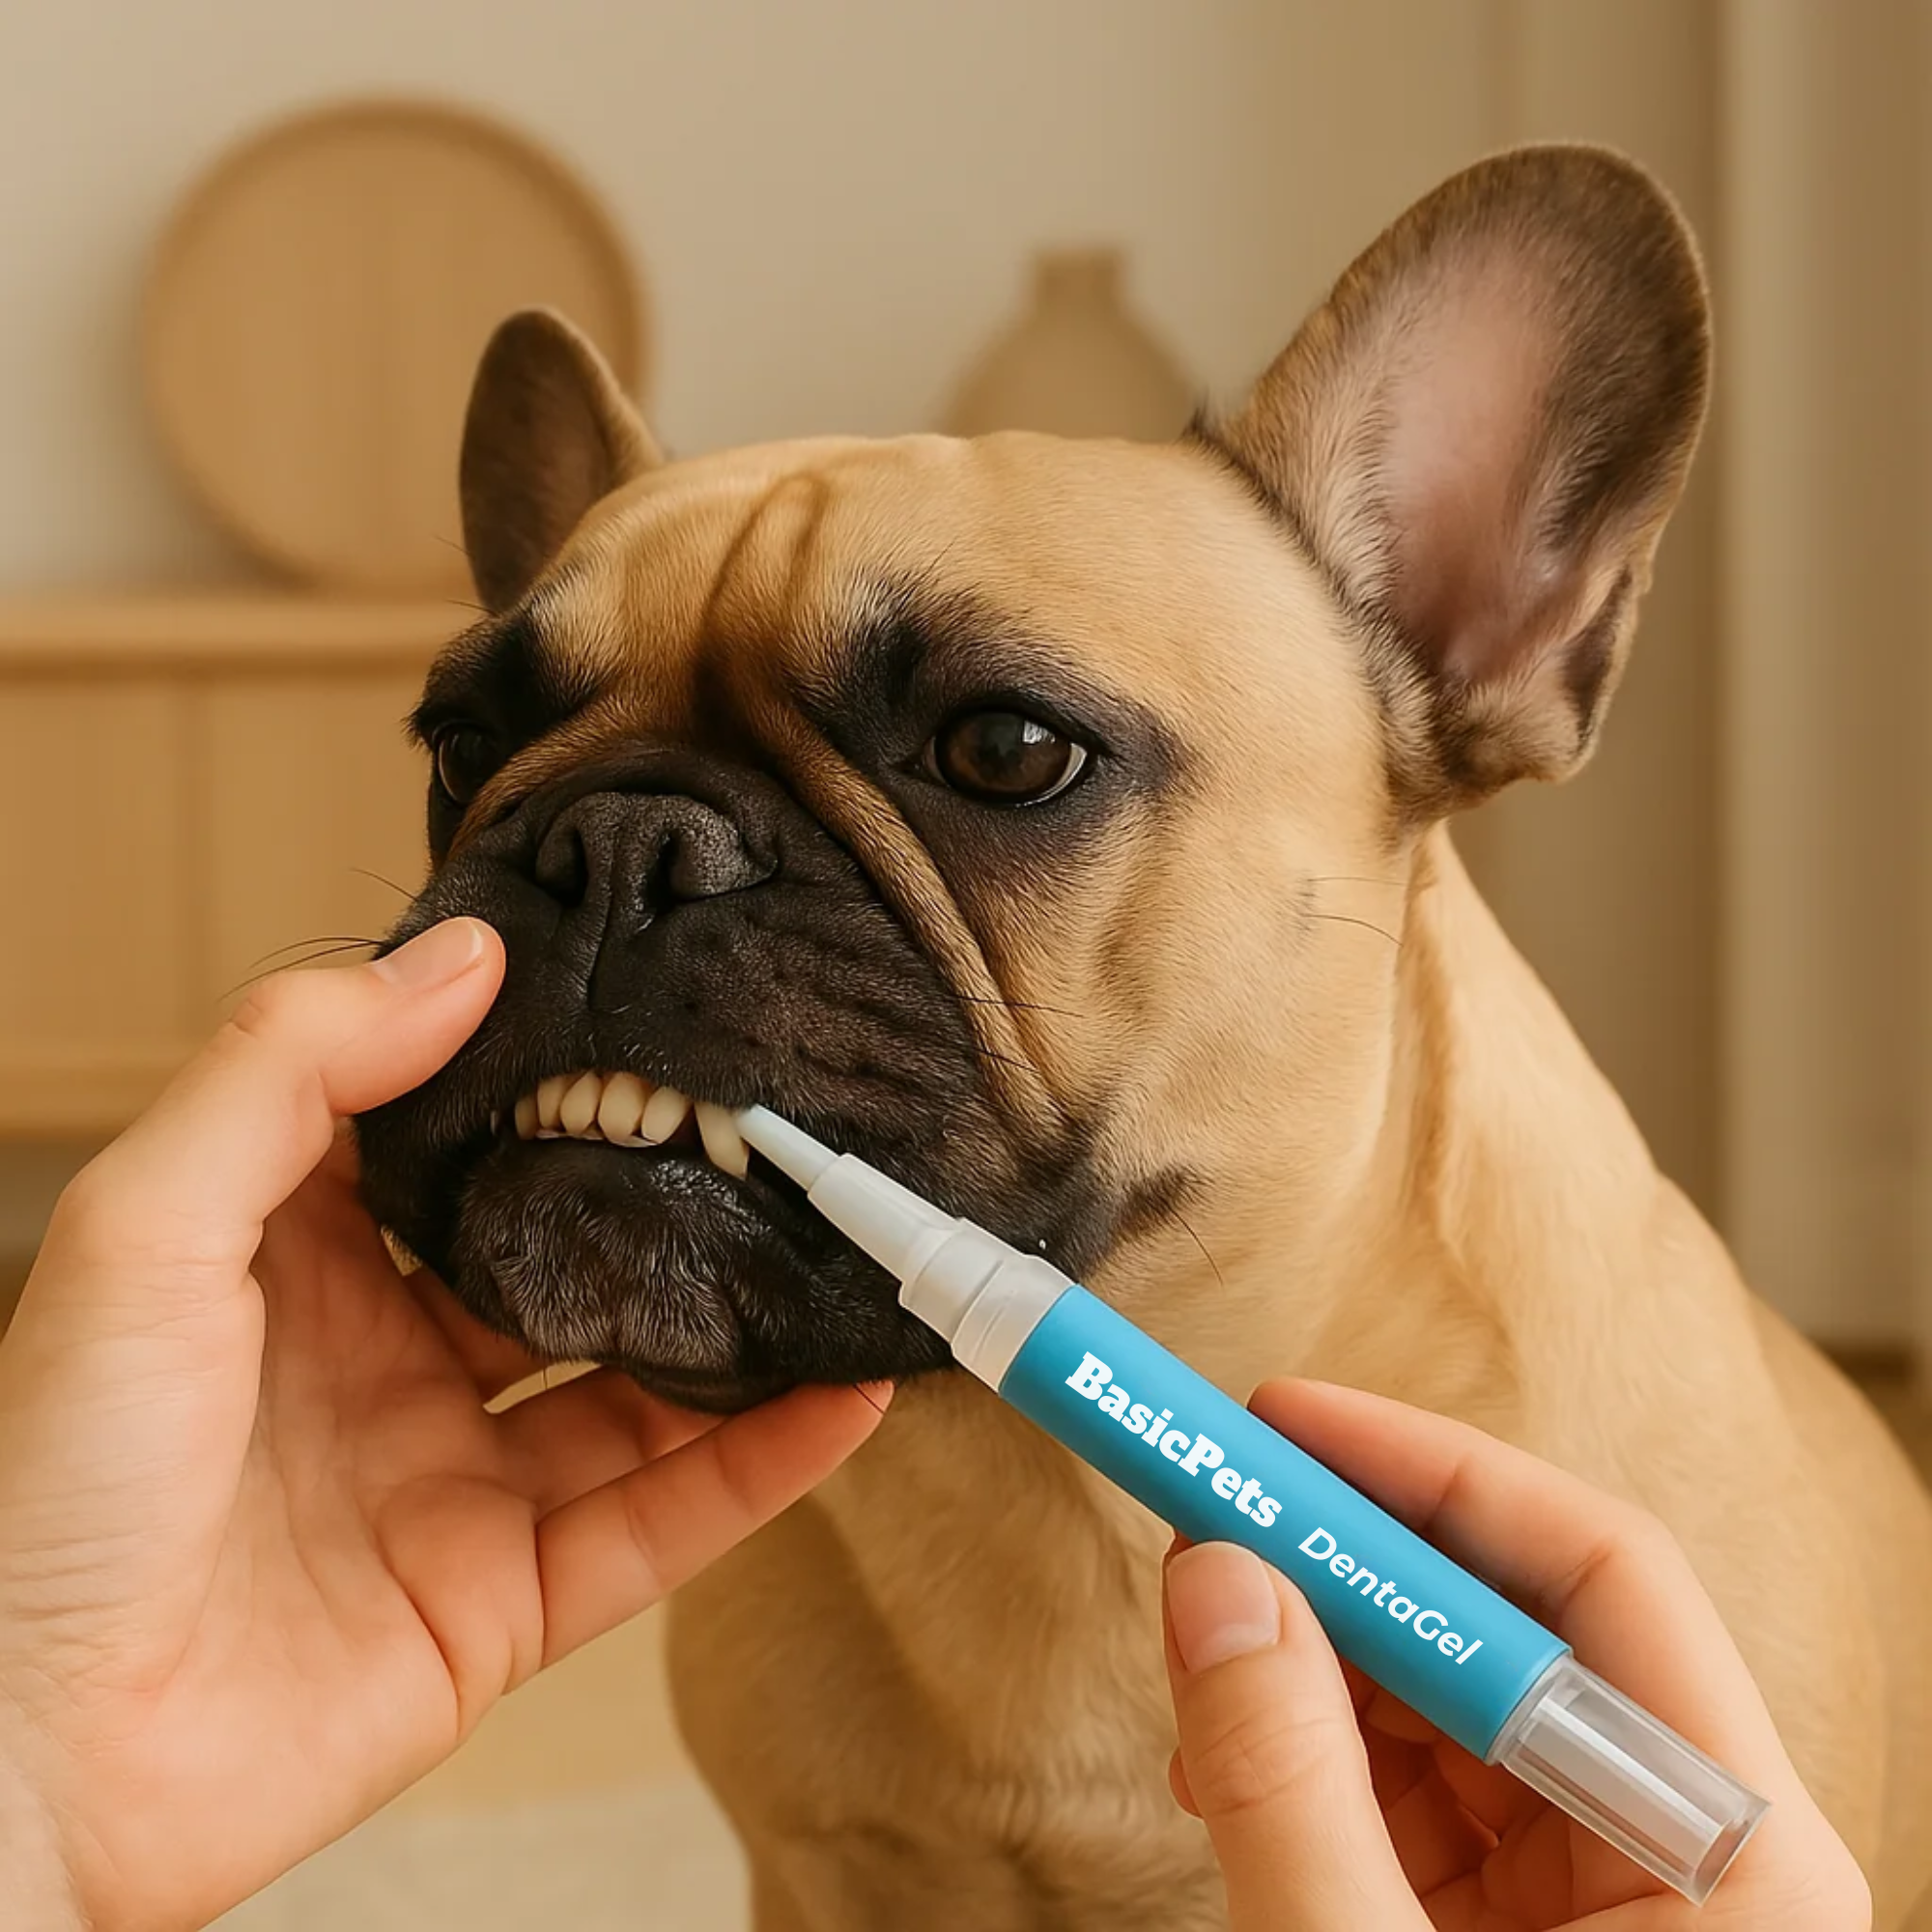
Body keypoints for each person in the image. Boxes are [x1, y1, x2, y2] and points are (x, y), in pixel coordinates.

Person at [0, 920, 1869, 1931]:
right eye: (495, 751)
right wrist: (48, 1752)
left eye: (1012, 759)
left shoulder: (1736, 1617)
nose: (645, 879)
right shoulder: (760, 1568)